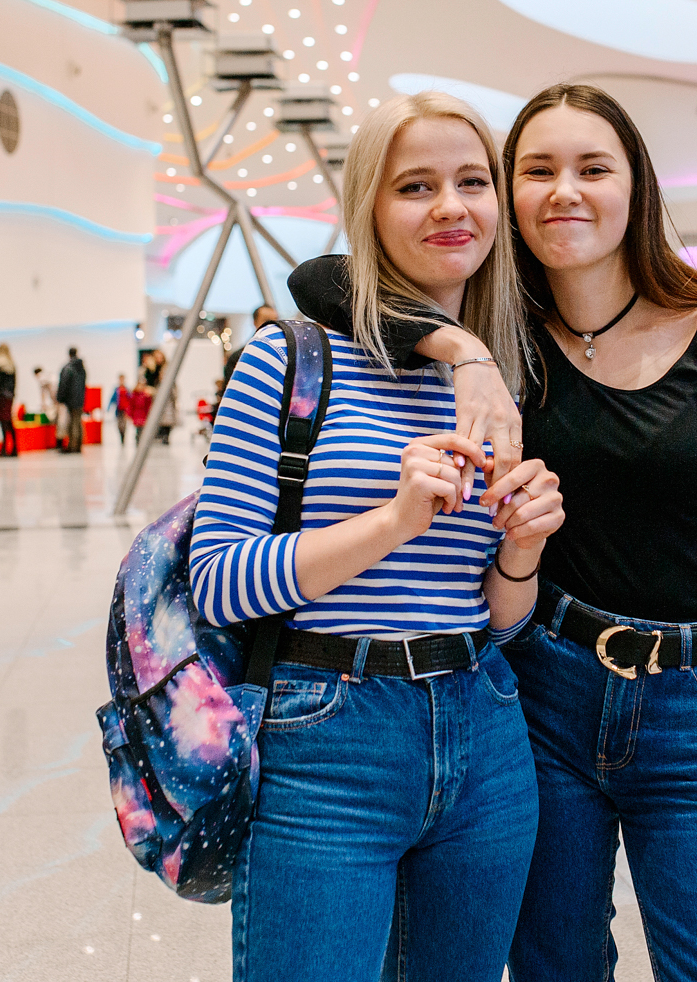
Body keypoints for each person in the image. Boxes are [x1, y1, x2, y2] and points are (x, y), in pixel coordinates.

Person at [292, 82, 697, 981]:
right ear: (509, 197)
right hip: (545, 696)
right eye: (536, 171)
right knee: (553, 967)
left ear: (635, 187)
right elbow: (322, 278)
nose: (564, 191)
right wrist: (466, 352)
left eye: (593, 169)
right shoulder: (506, 338)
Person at [191, 91, 562, 980]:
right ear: (370, 207)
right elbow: (220, 581)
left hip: (483, 730)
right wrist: (393, 522)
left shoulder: (506, 378)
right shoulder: (291, 359)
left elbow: (501, 619)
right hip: (325, 736)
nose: (449, 207)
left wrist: (522, 549)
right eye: (415, 186)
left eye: (472, 182)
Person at [222, 303, 281, 398]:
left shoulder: (284, 355)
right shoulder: (238, 357)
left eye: (275, 321)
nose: (272, 326)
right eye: (266, 321)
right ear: (255, 322)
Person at [56, 346, 87, 453]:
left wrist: (60, 398)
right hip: (80, 399)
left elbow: (63, 385)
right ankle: (78, 445)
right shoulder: (82, 368)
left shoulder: (68, 368)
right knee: (78, 422)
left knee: (73, 423)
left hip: (70, 400)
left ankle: (72, 446)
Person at [0, 344, 19, 457]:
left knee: (3, 422)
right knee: (8, 421)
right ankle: (14, 447)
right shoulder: (11, 365)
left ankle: (4, 448)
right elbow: (14, 384)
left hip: (1, 398)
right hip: (9, 397)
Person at [108, 373, 133, 445]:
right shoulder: (116, 390)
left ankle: (123, 437)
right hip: (118, 410)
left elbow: (130, 399)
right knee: (119, 424)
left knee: (124, 424)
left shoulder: (127, 390)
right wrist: (109, 407)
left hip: (125, 410)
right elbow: (112, 399)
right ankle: (121, 435)